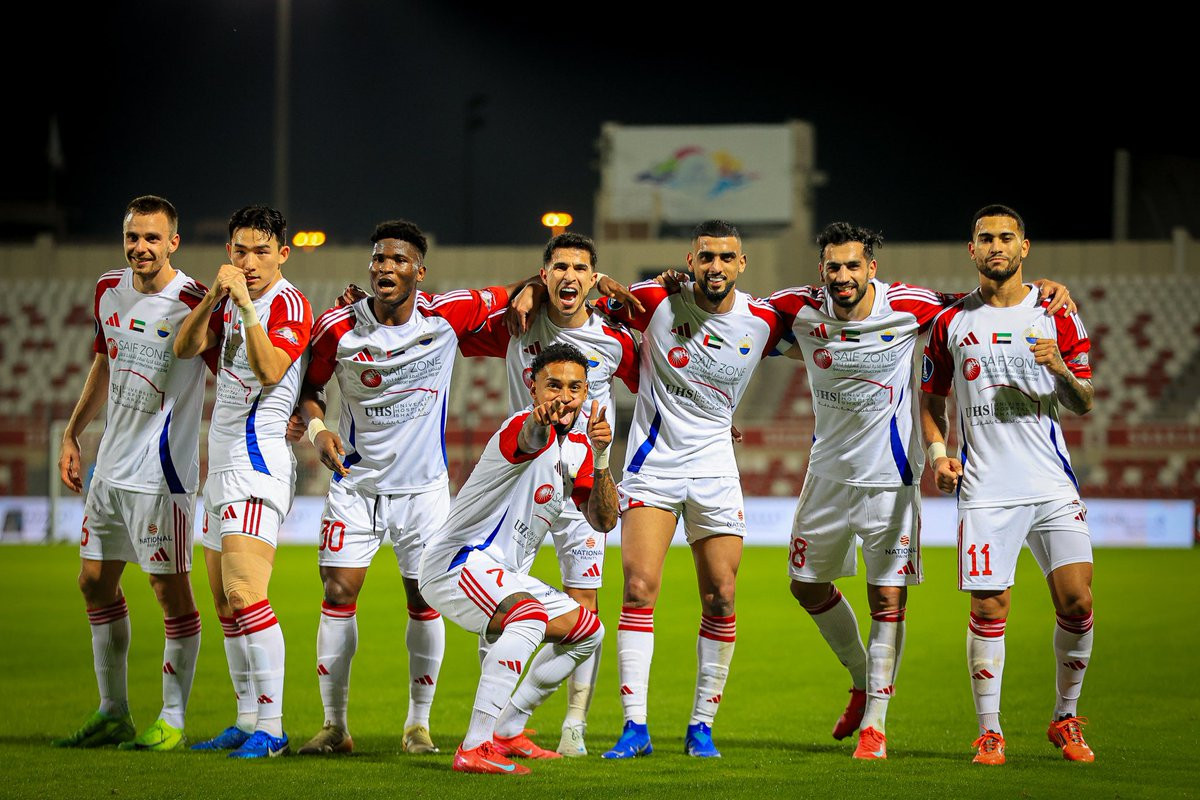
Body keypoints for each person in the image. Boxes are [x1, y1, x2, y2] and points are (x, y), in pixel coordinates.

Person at [767, 223, 1075, 760]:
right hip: (826, 476)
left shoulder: (910, 305)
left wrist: (1044, 289)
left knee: (887, 598)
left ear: (871, 269)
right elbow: (734, 324)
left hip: (891, 477)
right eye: (834, 267)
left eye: (853, 265)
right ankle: (862, 678)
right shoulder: (798, 308)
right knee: (806, 587)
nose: (843, 275)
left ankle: (876, 725)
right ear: (822, 271)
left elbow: (984, 303)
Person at [295, 219, 528, 755]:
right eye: (379, 258)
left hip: (423, 493)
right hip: (355, 485)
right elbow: (310, 386)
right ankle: (335, 726)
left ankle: (417, 725)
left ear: (419, 271)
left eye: (399, 260)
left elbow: (518, 289)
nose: (386, 267)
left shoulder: (447, 315)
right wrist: (318, 428)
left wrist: (533, 289)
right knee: (337, 592)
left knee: (425, 599)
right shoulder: (337, 327)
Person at [593, 220, 789, 759]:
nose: (715, 266)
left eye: (726, 257)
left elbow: (823, 338)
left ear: (741, 263)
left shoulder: (763, 321)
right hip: (653, 464)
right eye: (706, 257)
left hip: (715, 468)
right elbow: (595, 302)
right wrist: (599, 283)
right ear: (691, 260)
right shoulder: (659, 299)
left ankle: (701, 726)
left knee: (721, 595)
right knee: (638, 589)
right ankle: (635, 727)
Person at [920, 205, 1095, 765]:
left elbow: (1084, 401)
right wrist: (939, 455)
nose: (996, 245)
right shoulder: (950, 321)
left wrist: (1060, 368)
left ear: (1025, 248)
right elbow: (931, 400)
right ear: (972, 249)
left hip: (1050, 483)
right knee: (991, 608)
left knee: (1077, 600)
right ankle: (990, 731)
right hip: (986, 488)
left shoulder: (1055, 311)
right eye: (985, 238)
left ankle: (1065, 718)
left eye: (1006, 237)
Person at [460, 231, 639, 756]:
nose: (569, 276)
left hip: (584, 482)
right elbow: (458, 328)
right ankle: (493, 725)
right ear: (544, 274)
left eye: (580, 269)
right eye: (559, 267)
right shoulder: (518, 322)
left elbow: (657, 384)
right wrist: (524, 291)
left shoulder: (615, 339)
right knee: (501, 605)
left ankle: (572, 726)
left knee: (585, 607)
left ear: (593, 278)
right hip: (521, 482)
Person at [53, 195, 214, 751]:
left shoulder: (193, 301)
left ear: (174, 243)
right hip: (110, 469)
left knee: (171, 594)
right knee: (93, 583)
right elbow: (104, 362)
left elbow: (234, 375)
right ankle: (113, 711)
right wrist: (72, 433)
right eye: (133, 236)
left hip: (162, 476)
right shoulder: (108, 288)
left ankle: (172, 718)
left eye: (152, 238)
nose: (140, 247)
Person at [417, 342, 618, 775]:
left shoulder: (580, 448)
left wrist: (603, 457)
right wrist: (537, 422)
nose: (564, 397)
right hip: (457, 562)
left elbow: (603, 520)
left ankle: (508, 730)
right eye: (553, 386)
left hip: (503, 575)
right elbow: (531, 437)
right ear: (533, 388)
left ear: (586, 393)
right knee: (529, 616)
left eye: (575, 388)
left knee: (589, 631)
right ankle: (475, 747)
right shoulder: (519, 427)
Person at [174, 205, 313, 758]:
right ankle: (246, 717)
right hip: (221, 467)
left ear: (283, 254)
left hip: (257, 465)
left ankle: (272, 727)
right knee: (224, 603)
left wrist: (248, 307)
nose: (249, 262)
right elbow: (184, 348)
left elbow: (271, 369)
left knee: (245, 592)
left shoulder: (288, 303)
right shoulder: (229, 302)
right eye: (240, 251)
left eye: (261, 251)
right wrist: (214, 296)